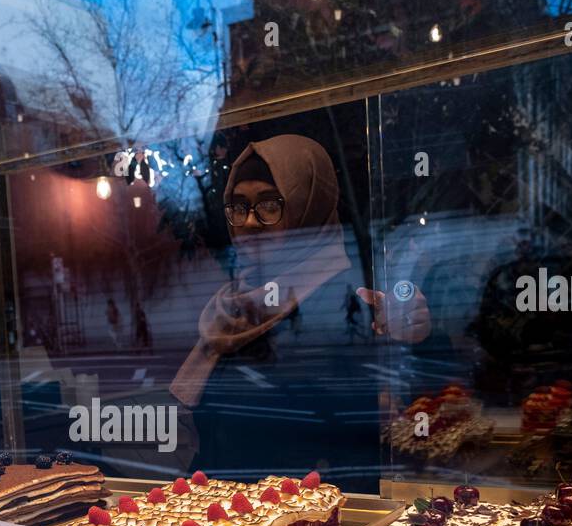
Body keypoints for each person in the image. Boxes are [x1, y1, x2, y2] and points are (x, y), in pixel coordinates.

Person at [169, 134, 432, 490]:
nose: (247, 222)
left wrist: (413, 335)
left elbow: (356, 447)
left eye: (269, 205)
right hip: (227, 525)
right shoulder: (232, 308)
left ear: (308, 207)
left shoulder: (337, 304)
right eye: (238, 206)